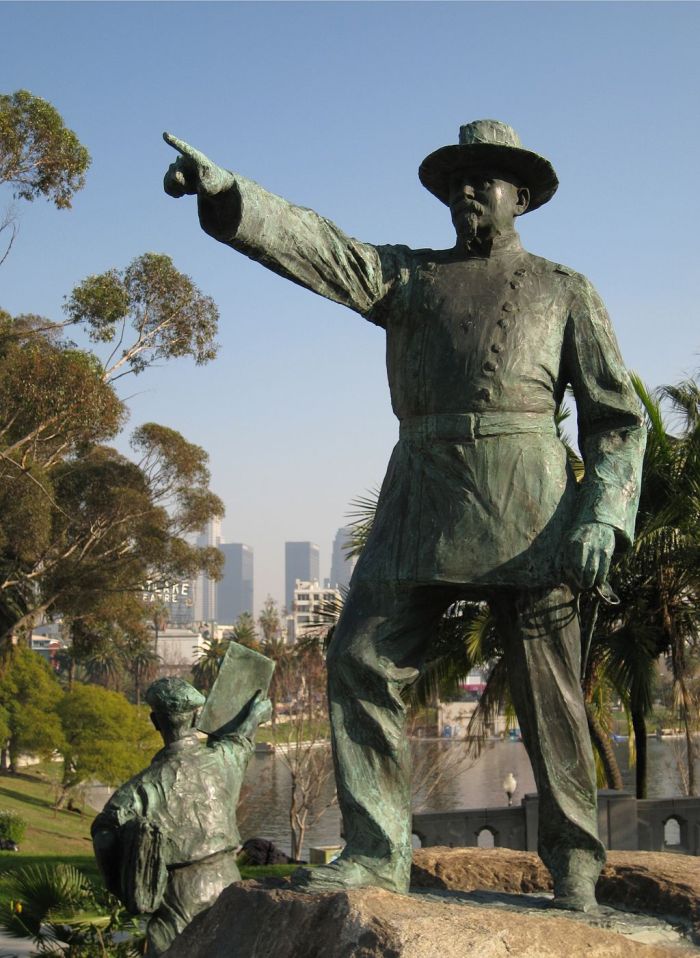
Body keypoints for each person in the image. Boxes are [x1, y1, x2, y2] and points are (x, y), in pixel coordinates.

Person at [162, 120, 646, 911]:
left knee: (550, 697)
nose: (466, 191)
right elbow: (322, 249)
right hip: (420, 494)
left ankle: (576, 869)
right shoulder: (409, 277)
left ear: (520, 196)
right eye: (457, 179)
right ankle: (375, 850)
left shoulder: (565, 289)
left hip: (532, 507)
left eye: (484, 179)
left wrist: (604, 516)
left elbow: (618, 420)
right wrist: (233, 198)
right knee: (358, 655)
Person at [92, 677, 271, 955]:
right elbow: (241, 738)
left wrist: (123, 886)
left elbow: (104, 838)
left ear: (155, 721)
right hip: (228, 881)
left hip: (177, 897)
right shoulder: (223, 760)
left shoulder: (136, 792)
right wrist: (254, 715)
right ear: (197, 716)